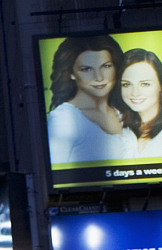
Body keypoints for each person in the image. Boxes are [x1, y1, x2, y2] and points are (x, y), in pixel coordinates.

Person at [44, 35, 136, 166]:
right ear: (71, 73)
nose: (99, 77)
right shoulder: (63, 119)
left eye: (106, 66)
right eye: (86, 69)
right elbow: (58, 176)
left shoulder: (124, 110)